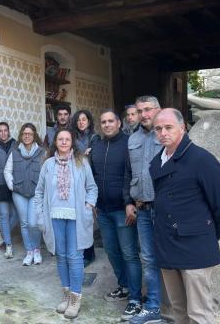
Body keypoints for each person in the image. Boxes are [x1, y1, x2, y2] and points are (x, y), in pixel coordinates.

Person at [150, 108, 220, 324]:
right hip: (167, 242)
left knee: (199, 313)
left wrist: (209, 234)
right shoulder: (157, 161)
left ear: (182, 128)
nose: (163, 133)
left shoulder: (202, 159)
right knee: (179, 310)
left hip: (195, 244)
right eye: (158, 129)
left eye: (168, 127)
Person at [34, 128, 98, 319]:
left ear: (72, 142)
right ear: (55, 142)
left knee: (75, 257)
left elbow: (92, 188)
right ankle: (67, 295)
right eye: (60, 139)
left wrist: (88, 206)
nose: (63, 142)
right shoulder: (48, 165)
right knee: (61, 256)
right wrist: (39, 213)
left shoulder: (81, 162)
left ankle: (76, 299)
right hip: (54, 217)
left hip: (77, 217)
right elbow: (39, 192)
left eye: (67, 139)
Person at [90, 109, 142, 321]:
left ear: (119, 123)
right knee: (112, 251)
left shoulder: (129, 143)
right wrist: (92, 201)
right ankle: (124, 286)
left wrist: (129, 202)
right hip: (103, 210)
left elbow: (132, 175)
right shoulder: (96, 147)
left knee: (129, 253)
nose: (107, 124)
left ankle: (136, 298)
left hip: (123, 210)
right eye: (103, 122)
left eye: (111, 121)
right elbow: (92, 176)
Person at [127, 95, 164, 324]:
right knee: (148, 259)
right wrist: (128, 201)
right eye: (140, 110)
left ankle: (176, 305)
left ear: (158, 110)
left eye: (148, 109)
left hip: (164, 208)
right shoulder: (132, 139)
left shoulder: (167, 134)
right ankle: (153, 307)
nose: (144, 115)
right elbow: (127, 173)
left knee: (170, 257)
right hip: (141, 208)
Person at [3, 123, 46, 266]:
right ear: (21, 136)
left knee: (34, 223)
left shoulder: (41, 153)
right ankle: (29, 251)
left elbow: (47, 172)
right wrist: (12, 186)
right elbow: (7, 171)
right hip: (19, 193)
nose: (27, 136)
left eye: (30, 134)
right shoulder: (14, 152)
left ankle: (37, 249)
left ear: (34, 136)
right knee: (25, 223)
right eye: (24, 134)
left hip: (35, 193)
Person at [70, 109, 99, 266]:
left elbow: (93, 157)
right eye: (79, 120)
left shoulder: (95, 137)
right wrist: (84, 154)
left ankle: (89, 253)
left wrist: (81, 155)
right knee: (77, 220)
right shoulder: (72, 138)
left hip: (90, 180)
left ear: (89, 121)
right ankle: (81, 252)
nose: (81, 122)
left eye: (84, 119)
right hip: (74, 181)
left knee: (87, 219)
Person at [0, 122, 19, 258]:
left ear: (9, 131)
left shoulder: (16, 144)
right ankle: (8, 245)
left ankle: (0, 235)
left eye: (5, 130)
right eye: (0, 131)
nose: (3, 133)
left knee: (18, 215)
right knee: (3, 215)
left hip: (13, 184)